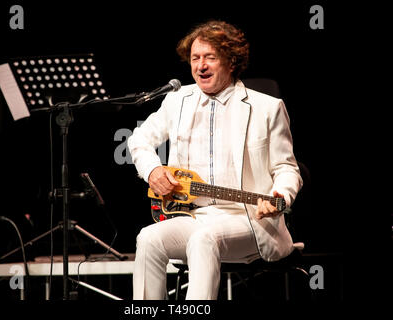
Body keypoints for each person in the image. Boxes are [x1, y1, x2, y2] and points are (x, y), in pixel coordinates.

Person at [127, 20, 302, 300]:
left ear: (231, 62)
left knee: (203, 238)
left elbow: (286, 168)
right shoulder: (177, 100)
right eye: (195, 58)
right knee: (148, 238)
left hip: (249, 219)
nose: (201, 66)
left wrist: (280, 195)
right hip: (193, 215)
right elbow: (138, 139)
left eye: (210, 57)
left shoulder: (267, 108)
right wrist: (153, 170)